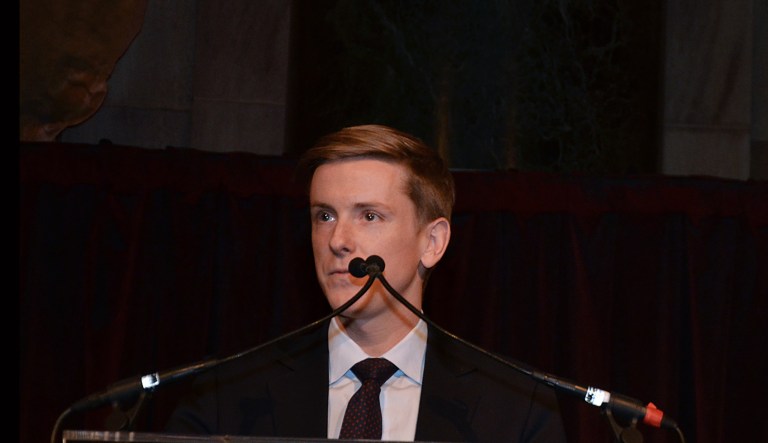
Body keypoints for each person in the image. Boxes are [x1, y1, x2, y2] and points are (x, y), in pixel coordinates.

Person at [165, 124, 568, 442]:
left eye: (369, 216)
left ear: (432, 243)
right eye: (324, 216)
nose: (337, 240)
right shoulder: (226, 395)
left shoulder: (517, 409)